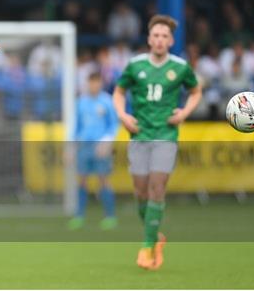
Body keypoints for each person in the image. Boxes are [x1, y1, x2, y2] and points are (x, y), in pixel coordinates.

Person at [112, 15, 202, 270]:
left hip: (166, 135)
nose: (160, 40)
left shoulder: (181, 67)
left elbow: (196, 92)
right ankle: (155, 237)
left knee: (157, 187)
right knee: (141, 193)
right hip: (139, 134)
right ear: (149, 39)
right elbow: (119, 92)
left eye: (165, 36)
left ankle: (147, 247)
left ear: (171, 40)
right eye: (156, 36)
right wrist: (123, 115)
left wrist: (184, 113)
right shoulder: (135, 65)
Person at [68, 72, 119, 231]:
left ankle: (110, 216)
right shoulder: (81, 102)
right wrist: (71, 147)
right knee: (82, 180)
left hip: (100, 146)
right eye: (91, 82)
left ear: (101, 83)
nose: (93, 85)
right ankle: (79, 216)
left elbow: (114, 124)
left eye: (96, 82)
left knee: (103, 180)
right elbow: (76, 126)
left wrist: (106, 142)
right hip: (84, 145)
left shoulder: (107, 101)